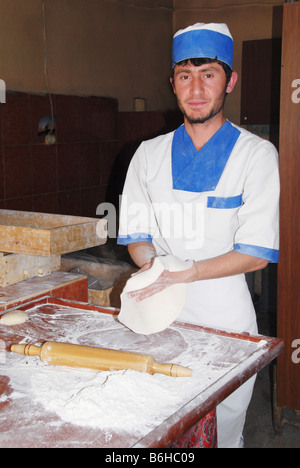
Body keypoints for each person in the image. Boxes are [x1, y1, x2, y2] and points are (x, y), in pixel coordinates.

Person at [117, 23, 280, 448]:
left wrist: (183, 273)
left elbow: (256, 254)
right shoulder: (148, 155)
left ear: (230, 81)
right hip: (159, 316)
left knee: (222, 432)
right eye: (185, 76)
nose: (196, 88)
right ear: (172, 83)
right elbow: (136, 235)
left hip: (227, 322)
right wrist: (154, 266)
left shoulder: (256, 155)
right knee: (162, 427)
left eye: (208, 74)